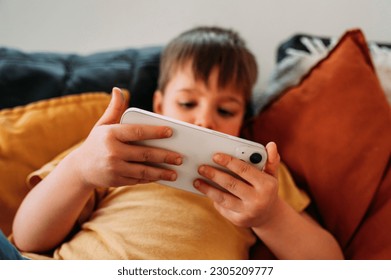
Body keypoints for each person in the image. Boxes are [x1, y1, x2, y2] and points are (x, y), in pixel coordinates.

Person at [10, 26, 343, 260]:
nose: (203, 120)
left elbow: (330, 266)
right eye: (187, 103)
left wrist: (271, 217)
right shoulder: (112, 152)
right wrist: (80, 170)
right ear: (158, 105)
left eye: (225, 110)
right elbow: (27, 238)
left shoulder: (259, 178)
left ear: (243, 121)